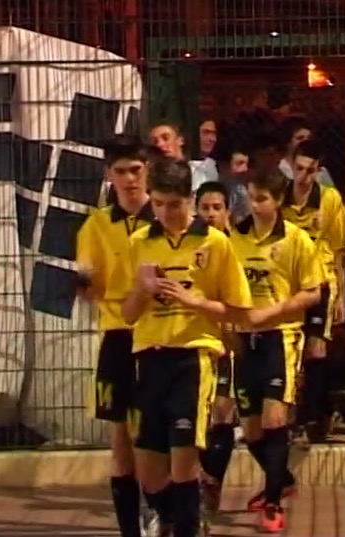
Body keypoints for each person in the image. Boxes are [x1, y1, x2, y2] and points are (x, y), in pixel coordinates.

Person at [121, 157, 253, 537]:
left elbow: (240, 311)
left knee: (183, 459)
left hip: (194, 358)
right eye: (158, 204)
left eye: (174, 204)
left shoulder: (214, 242)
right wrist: (143, 290)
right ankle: (174, 516)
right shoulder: (140, 242)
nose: (165, 213)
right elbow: (128, 314)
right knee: (150, 473)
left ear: (189, 200)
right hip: (149, 357)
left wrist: (197, 302)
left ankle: (188, 527)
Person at [76, 136, 163, 537]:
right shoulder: (95, 224)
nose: (129, 179)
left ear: (148, 171)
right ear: (108, 174)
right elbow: (86, 281)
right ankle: (131, 528)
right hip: (116, 336)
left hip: (159, 335)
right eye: (121, 171)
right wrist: (87, 283)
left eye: (136, 170)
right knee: (120, 438)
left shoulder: (162, 217)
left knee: (157, 435)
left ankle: (170, 512)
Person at [230, 169, 324, 532]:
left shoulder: (296, 239)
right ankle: (282, 479)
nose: (254, 206)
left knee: (274, 420)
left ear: (278, 200)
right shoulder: (235, 237)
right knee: (251, 430)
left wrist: (273, 311)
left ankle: (272, 503)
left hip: (279, 338)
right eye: (251, 197)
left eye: (262, 199)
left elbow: (313, 292)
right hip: (244, 339)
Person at [281, 140, 345, 443]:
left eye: (311, 171)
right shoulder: (281, 198)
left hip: (321, 280)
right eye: (299, 169)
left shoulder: (329, 199)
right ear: (290, 165)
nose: (304, 177)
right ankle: (316, 412)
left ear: (318, 170)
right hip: (289, 283)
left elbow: (339, 250)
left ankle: (309, 418)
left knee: (317, 348)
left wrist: (342, 295)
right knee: (291, 350)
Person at [194, 181, 238, 513]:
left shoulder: (237, 246)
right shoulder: (189, 247)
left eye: (216, 208)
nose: (210, 214)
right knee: (195, 416)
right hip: (195, 342)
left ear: (227, 212)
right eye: (204, 208)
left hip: (229, 344)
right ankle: (197, 479)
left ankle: (213, 480)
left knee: (223, 412)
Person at [149, 121, 216, 195]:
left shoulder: (203, 170)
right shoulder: (151, 176)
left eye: (166, 138)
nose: (160, 144)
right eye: (155, 141)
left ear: (180, 140)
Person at [277, 116, 334, 187]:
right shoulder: (277, 171)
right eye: (300, 138)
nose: (305, 141)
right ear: (287, 143)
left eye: (309, 138)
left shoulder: (321, 172)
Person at [213, 140, 251, 225]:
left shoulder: (241, 191)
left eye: (246, 164)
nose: (245, 169)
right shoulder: (208, 192)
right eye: (239, 163)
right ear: (223, 166)